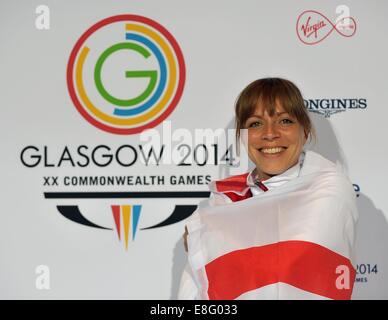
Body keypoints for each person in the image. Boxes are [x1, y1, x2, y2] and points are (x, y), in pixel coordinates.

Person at [178, 78, 358, 300]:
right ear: (242, 135)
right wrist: (206, 238)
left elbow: (296, 261)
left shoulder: (330, 189)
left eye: (284, 121)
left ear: (306, 130)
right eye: (255, 123)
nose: (270, 133)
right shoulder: (222, 203)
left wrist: (208, 239)